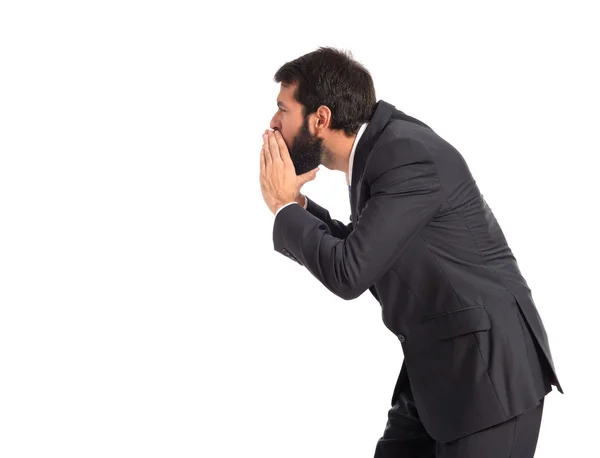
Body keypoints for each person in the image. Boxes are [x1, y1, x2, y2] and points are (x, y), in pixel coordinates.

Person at [258, 47, 562, 458]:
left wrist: (284, 207)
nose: (273, 122)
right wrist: (300, 206)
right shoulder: (380, 150)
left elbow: (349, 272)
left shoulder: (404, 154)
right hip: (437, 372)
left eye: (283, 108)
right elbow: (363, 249)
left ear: (321, 118)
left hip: (488, 379)